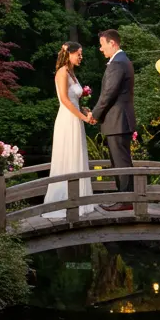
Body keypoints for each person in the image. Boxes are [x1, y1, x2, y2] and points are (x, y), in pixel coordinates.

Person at [43, 42, 96, 218]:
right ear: (69, 54)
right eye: (78, 54)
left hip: (76, 118)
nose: (81, 57)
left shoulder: (72, 73)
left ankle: (80, 200)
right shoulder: (62, 72)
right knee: (68, 155)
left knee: (77, 155)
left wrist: (85, 112)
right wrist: (83, 117)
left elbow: (74, 100)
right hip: (67, 119)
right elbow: (65, 100)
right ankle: (64, 202)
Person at [89, 29, 137, 211]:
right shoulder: (123, 61)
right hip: (120, 120)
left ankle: (126, 201)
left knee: (120, 162)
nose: (101, 49)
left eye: (102, 45)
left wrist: (94, 115)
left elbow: (108, 93)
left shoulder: (117, 63)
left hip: (118, 120)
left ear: (112, 43)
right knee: (121, 161)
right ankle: (125, 199)